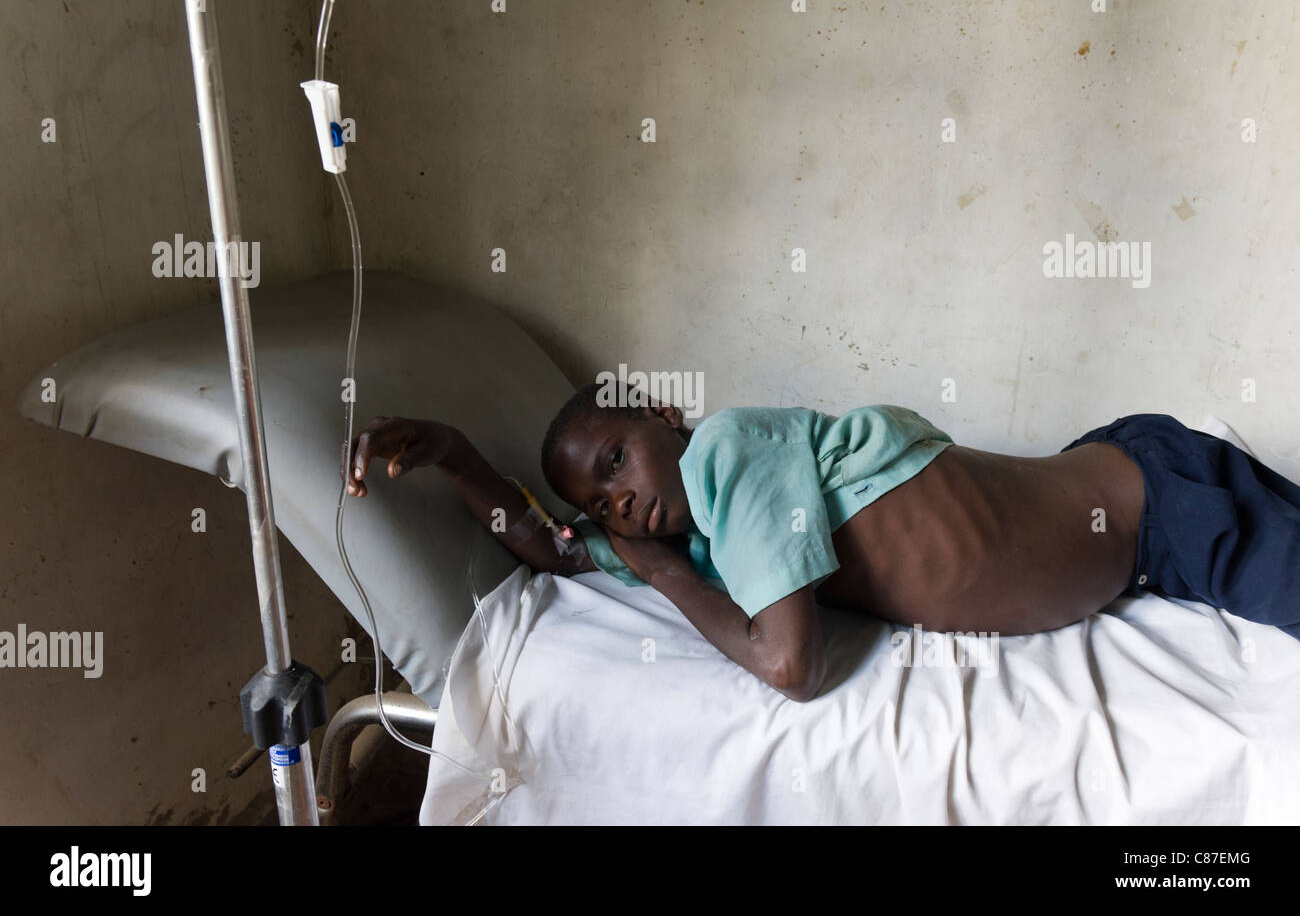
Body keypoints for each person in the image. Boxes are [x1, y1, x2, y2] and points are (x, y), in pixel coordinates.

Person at [342, 380, 1300, 702]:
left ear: (669, 416)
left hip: (1161, 508)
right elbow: (553, 547)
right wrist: (461, 459)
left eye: (619, 457)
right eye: (605, 500)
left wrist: (663, 568)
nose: (621, 502)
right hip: (1126, 501)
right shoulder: (719, 546)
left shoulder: (726, 455)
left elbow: (790, 664)